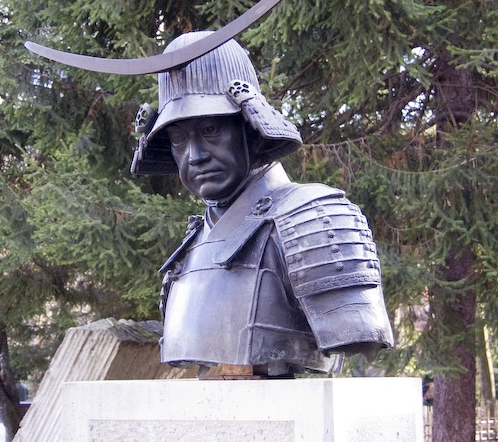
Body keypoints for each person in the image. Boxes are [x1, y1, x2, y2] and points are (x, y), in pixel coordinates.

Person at [131, 31, 394, 377]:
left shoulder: (315, 217)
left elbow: (358, 333)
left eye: (210, 130)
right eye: (178, 139)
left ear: (251, 130)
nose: (195, 156)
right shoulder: (194, 241)